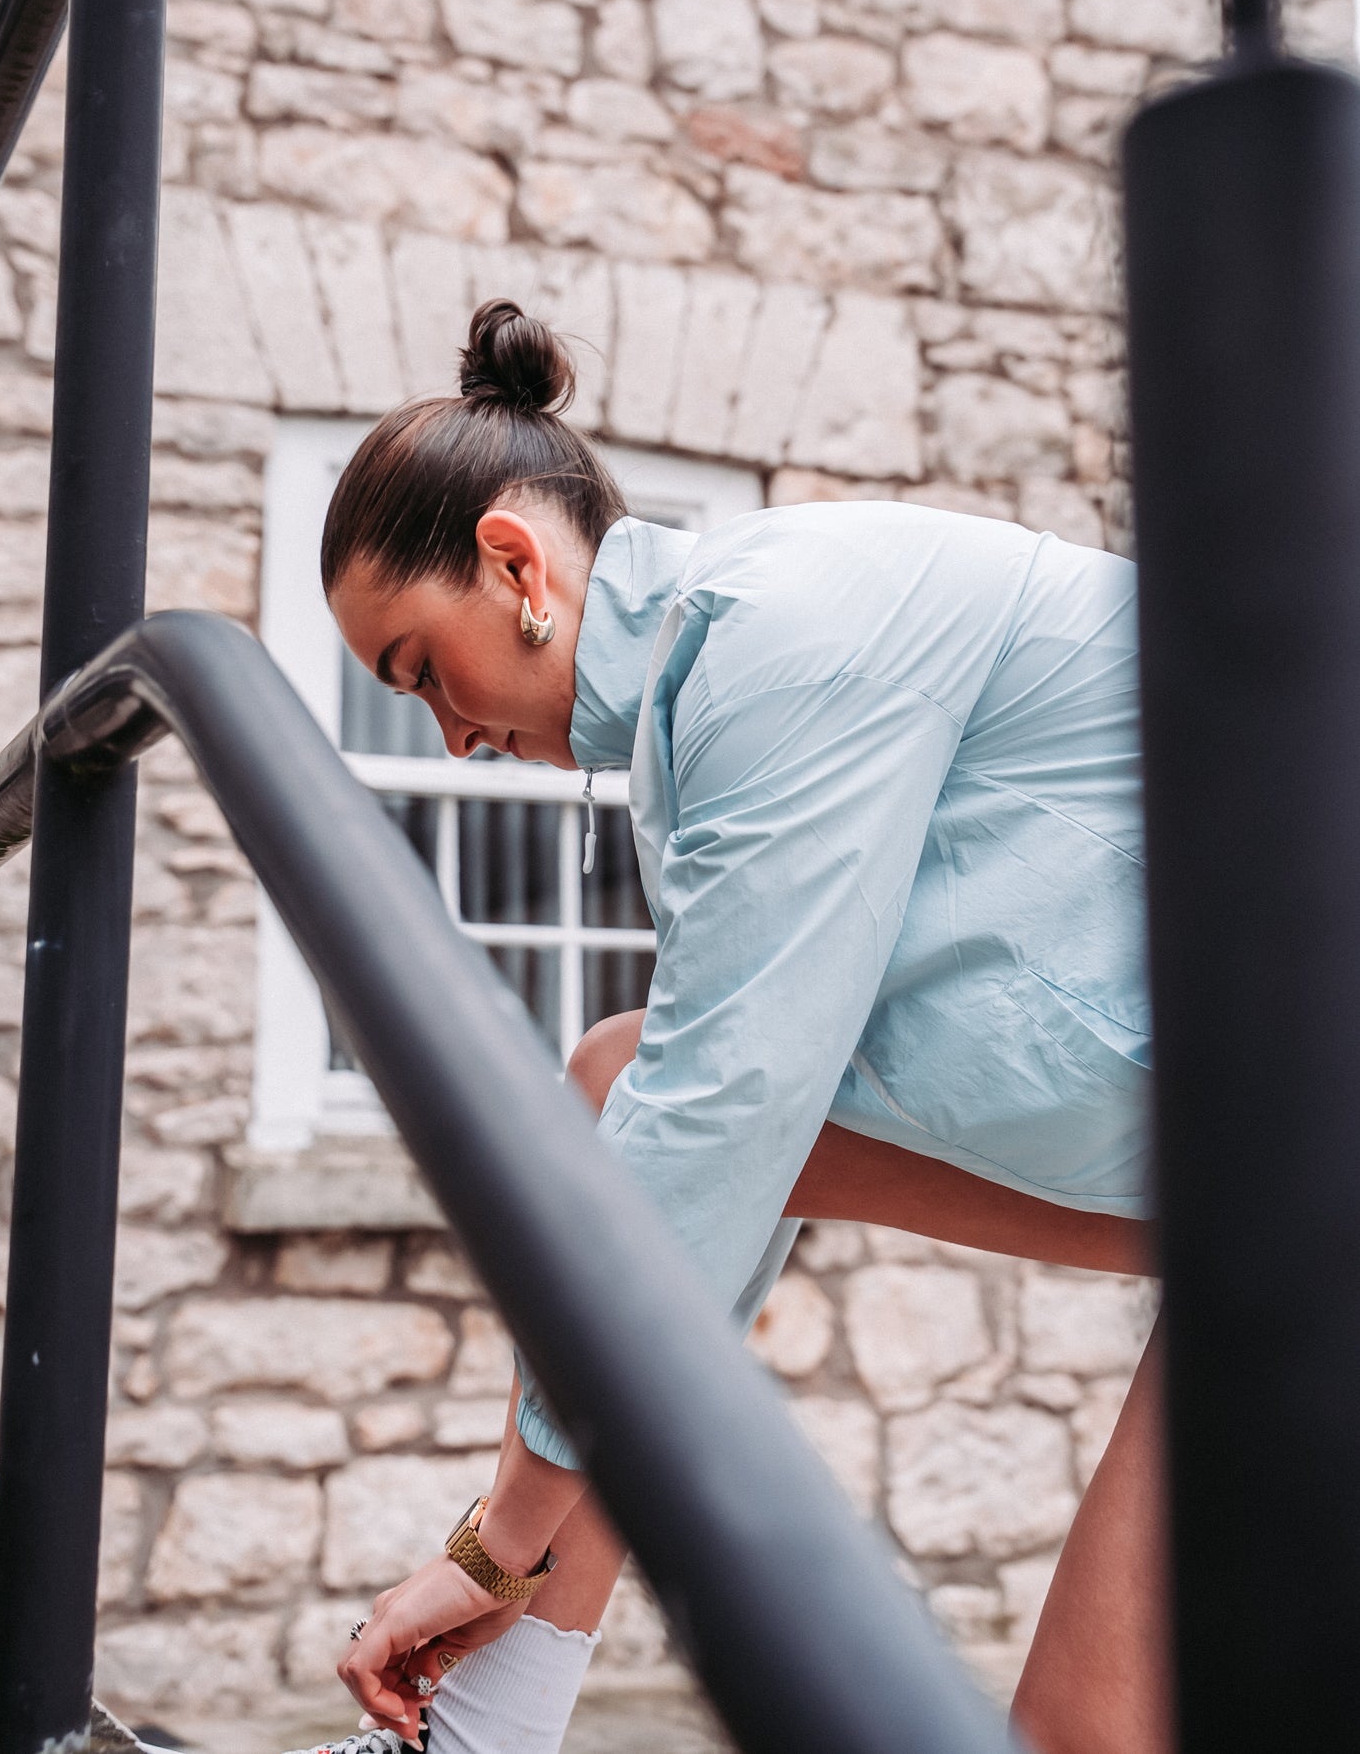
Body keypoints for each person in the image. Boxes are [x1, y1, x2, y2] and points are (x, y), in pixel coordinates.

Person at [320, 300, 1168, 1754]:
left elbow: (727, 1113)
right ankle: (483, 1736)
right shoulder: (704, 707)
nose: (448, 736)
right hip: (1235, 1159)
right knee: (617, 1086)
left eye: (418, 668)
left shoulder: (777, 631)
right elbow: (706, 1157)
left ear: (514, 567)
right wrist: (515, 1529)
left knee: (1084, 1731)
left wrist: (499, 1541)